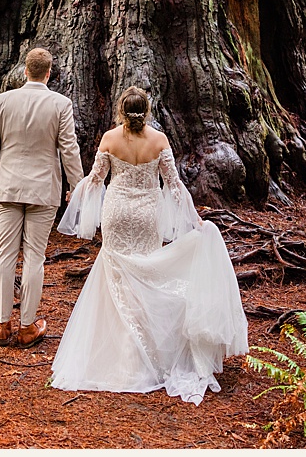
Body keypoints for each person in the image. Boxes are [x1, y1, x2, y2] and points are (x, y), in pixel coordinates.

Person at [52, 86, 249, 403]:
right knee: (146, 276)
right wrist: (194, 220)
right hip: (146, 214)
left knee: (116, 277)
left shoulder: (109, 139)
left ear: (120, 110)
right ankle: (147, 351)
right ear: (147, 111)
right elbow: (174, 184)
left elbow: (96, 178)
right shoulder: (159, 141)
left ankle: (121, 354)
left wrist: (78, 194)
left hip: (116, 213)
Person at [0, 47, 87, 348]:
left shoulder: (4, 100)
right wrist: (78, 187)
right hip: (43, 191)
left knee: (5, 254)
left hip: (8, 188)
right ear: (48, 73)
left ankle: (1, 324)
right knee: (35, 256)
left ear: (25, 71)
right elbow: (69, 148)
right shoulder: (61, 104)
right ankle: (26, 327)